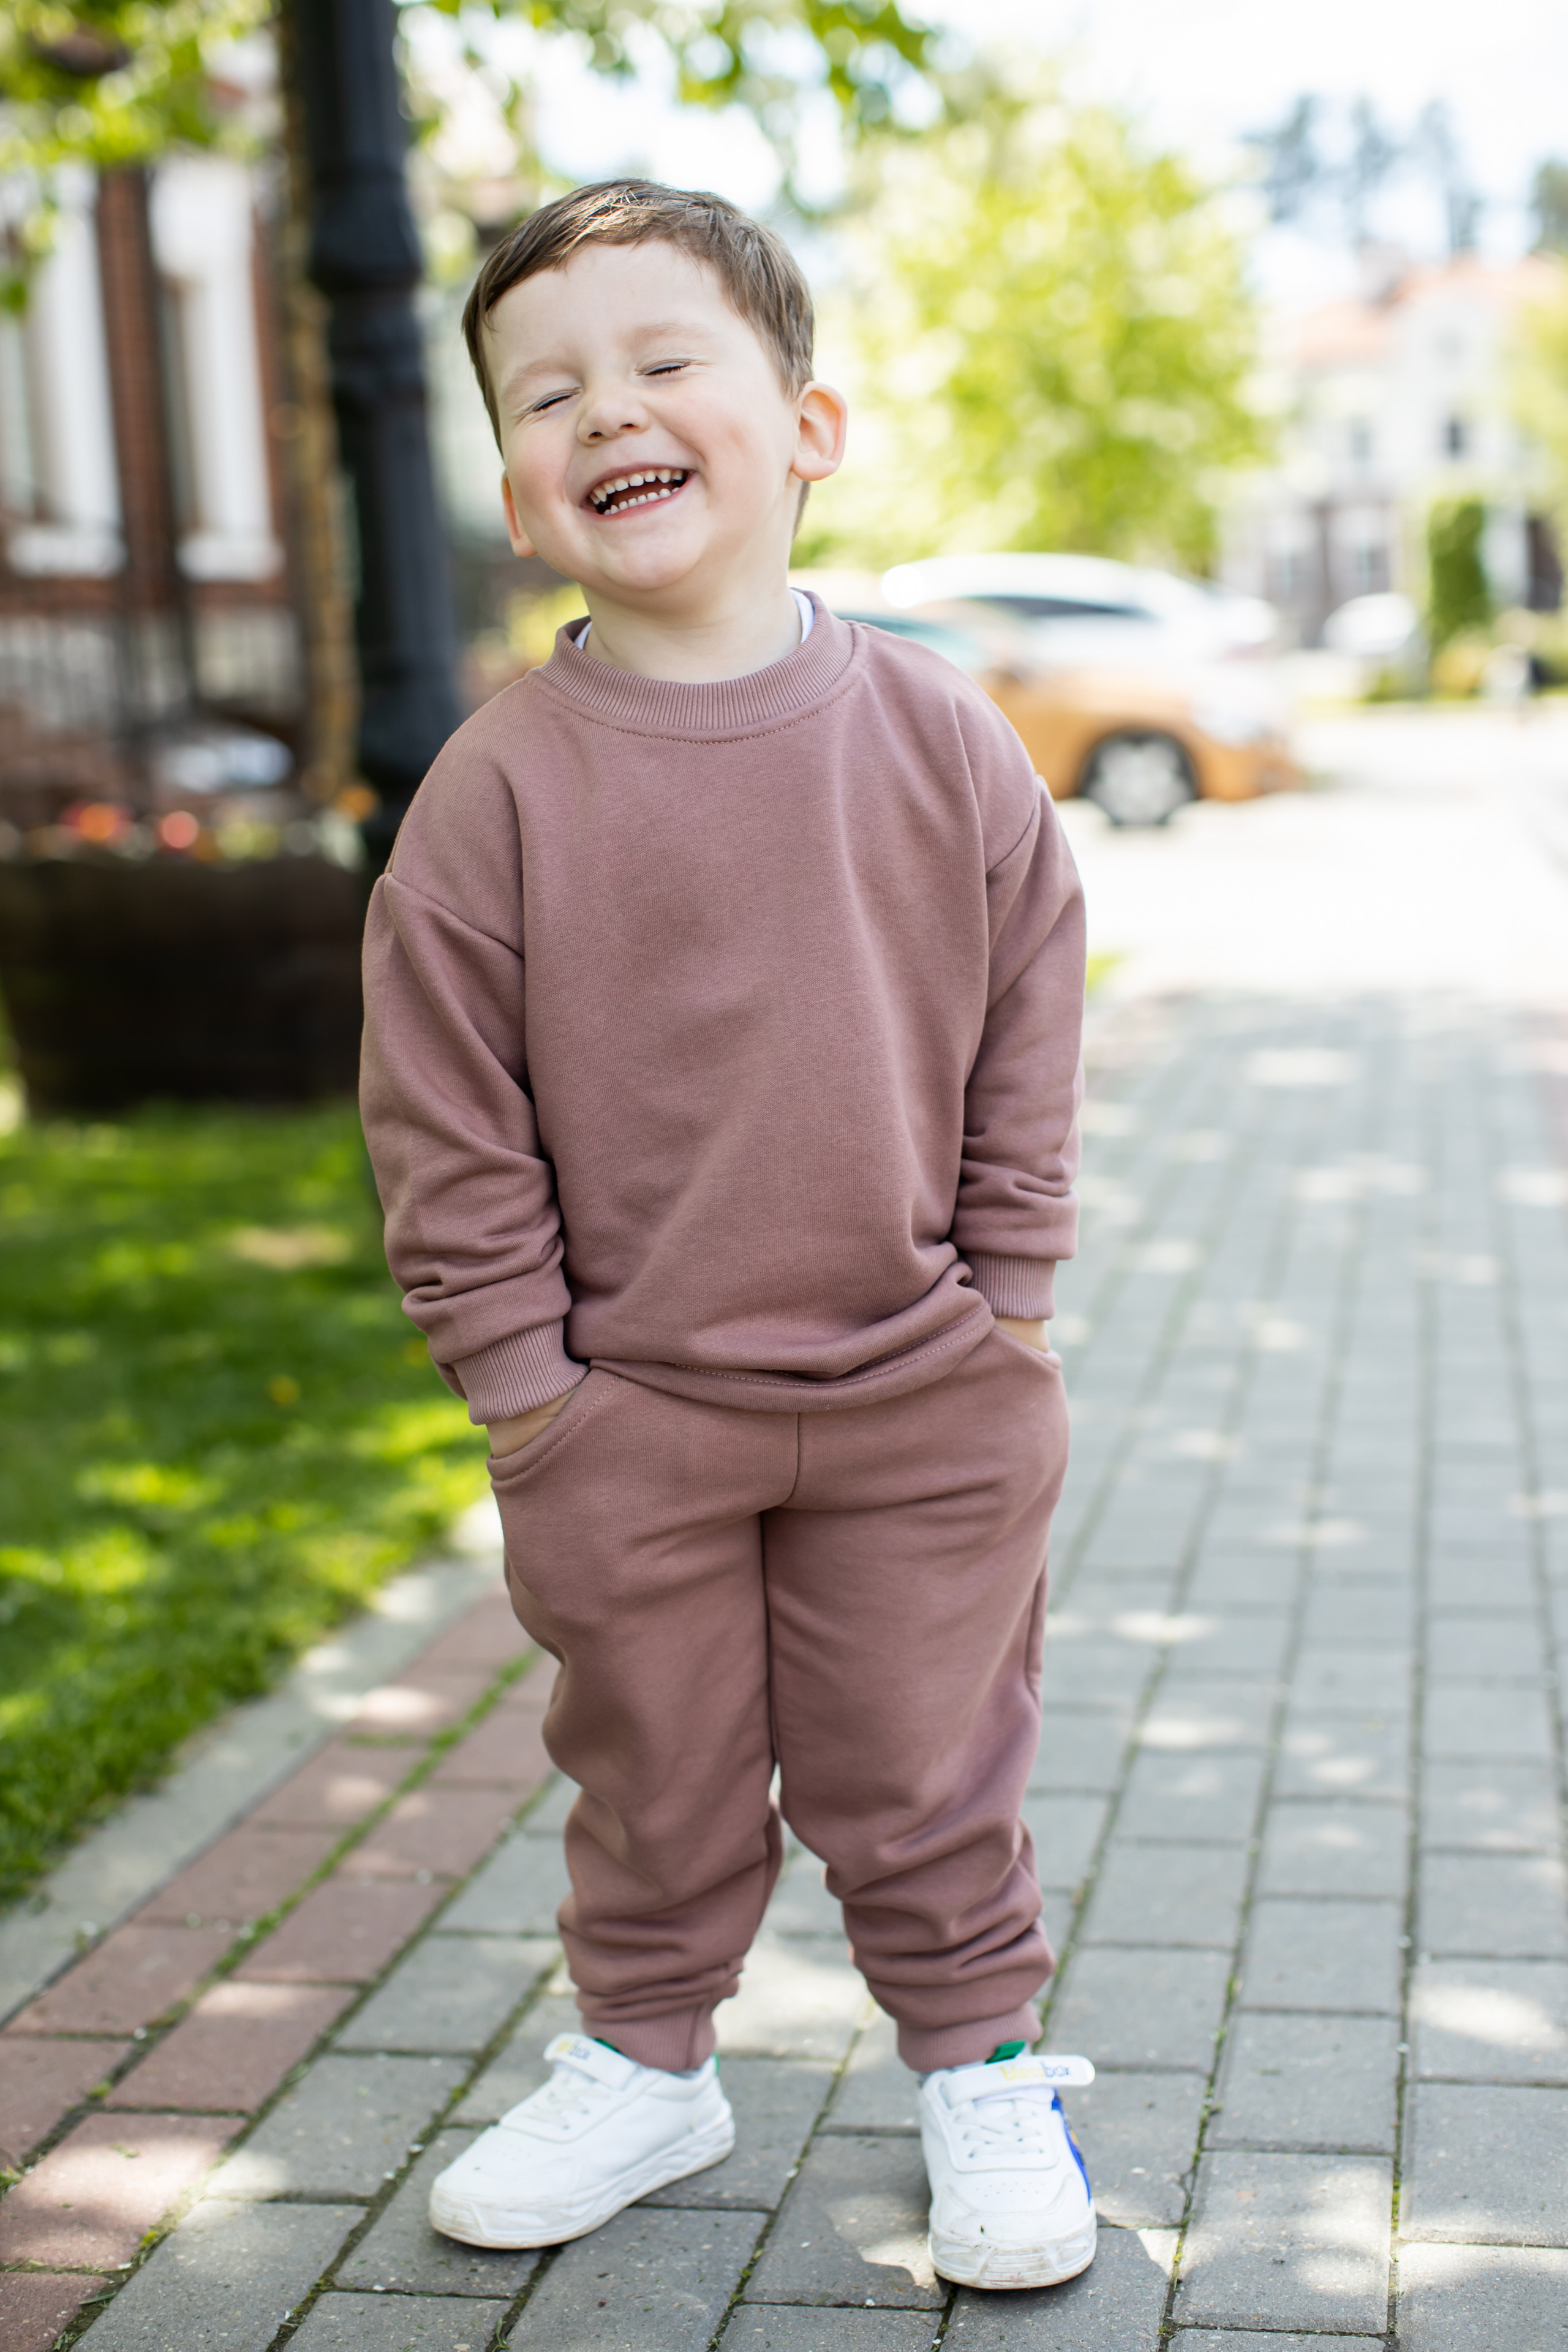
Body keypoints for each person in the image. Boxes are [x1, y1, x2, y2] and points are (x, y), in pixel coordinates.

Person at [359, 177, 1093, 2293]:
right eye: (549, 392)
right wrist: (531, 1397)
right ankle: (649, 2066)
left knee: (927, 1757)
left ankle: (978, 2064)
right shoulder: (495, 793)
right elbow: (444, 1119)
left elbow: (1033, 1000)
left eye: (666, 362)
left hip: (920, 1387)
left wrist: (1016, 1299)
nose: (612, 411)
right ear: (513, 490)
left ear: (808, 426)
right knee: (652, 1770)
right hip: (633, 1415)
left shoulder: (938, 734)